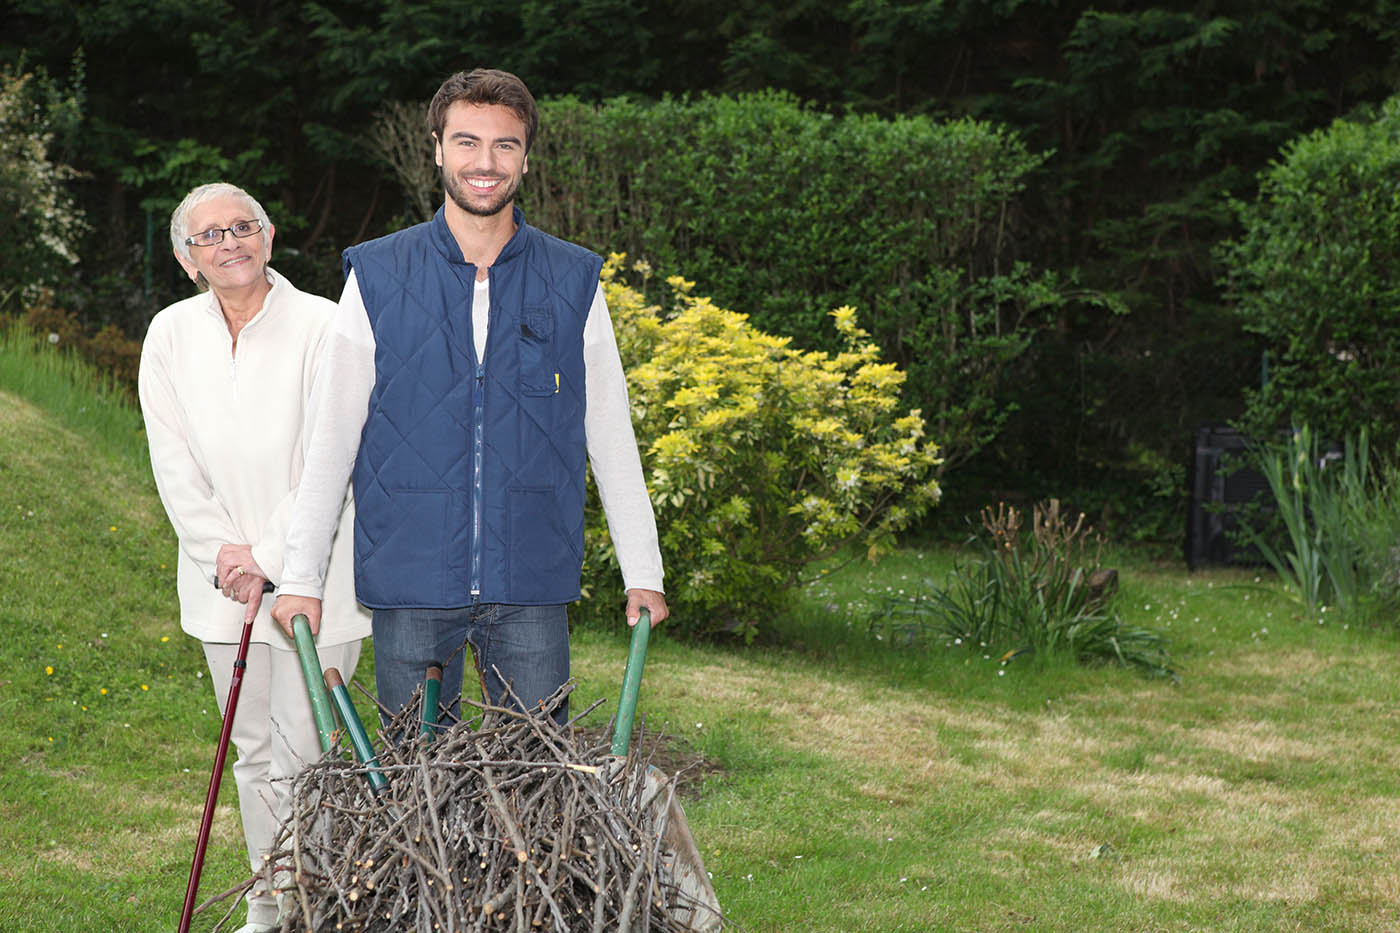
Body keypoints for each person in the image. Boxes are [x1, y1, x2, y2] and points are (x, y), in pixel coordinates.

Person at [271, 68, 666, 729]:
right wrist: (300, 577)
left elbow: (610, 434)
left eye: (504, 145)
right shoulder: (377, 275)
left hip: (531, 581)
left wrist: (643, 569)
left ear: (526, 158)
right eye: (466, 142)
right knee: (418, 783)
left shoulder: (572, 279)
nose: (485, 163)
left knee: (534, 782)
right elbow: (331, 439)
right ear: (436, 148)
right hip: (411, 577)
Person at [139, 182, 370, 933]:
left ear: (269, 238)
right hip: (220, 588)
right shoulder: (170, 334)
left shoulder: (325, 325)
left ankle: (317, 905)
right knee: (254, 753)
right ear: (186, 258)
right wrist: (226, 556)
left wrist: (269, 553)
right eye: (209, 235)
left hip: (316, 580)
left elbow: (330, 460)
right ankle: (269, 907)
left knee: (309, 753)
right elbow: (172, 463)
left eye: (244, 226)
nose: (229, 241)